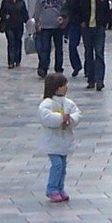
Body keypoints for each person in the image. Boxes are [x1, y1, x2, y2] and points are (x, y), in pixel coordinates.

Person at [37, 72, 79, 203]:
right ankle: (52, 189)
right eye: (63, 85)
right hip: (52, 141)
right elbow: (46, 118)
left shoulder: (68, 103)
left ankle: (60, 188)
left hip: (64, 141)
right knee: (57, 165)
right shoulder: (47, 104)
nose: (66, 87)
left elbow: (77, 114)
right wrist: (61, 118)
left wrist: (70, 119)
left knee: (63, 166)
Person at [73, 0, 112, 90]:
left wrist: (106, 23)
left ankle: (99, 79)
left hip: (99, 26)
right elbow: (76, 8)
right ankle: (91, 79)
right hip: (87, 26)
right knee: (88, 53)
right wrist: (80, 21)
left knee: (99, 53)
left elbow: (107, 8)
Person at [33, 0, 68, 77]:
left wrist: (64, 20)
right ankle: (43, 68)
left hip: (57, 26)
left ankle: (58, 68)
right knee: (45, 49)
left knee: (59, 49)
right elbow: (37, 10)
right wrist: (36, 22)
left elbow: (65, 9)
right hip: (44, 27)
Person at [0, 0, 29, 69]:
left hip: (19, 25)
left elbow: (25, 13)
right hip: (9, 25)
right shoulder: (5, 1)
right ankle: (11, 62)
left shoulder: (21, 2)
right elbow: (0, 12)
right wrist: (4, 16)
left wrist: (28, 23)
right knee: (11, 43)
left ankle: (17, 60)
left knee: (18, 42)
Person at [64, 0, 86, 78]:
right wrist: (63, 16)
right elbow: (67, 7)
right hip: (74, 23)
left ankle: (88, 69)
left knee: (89, 48)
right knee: (72, 46)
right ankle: (76, 66)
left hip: (86, 23)